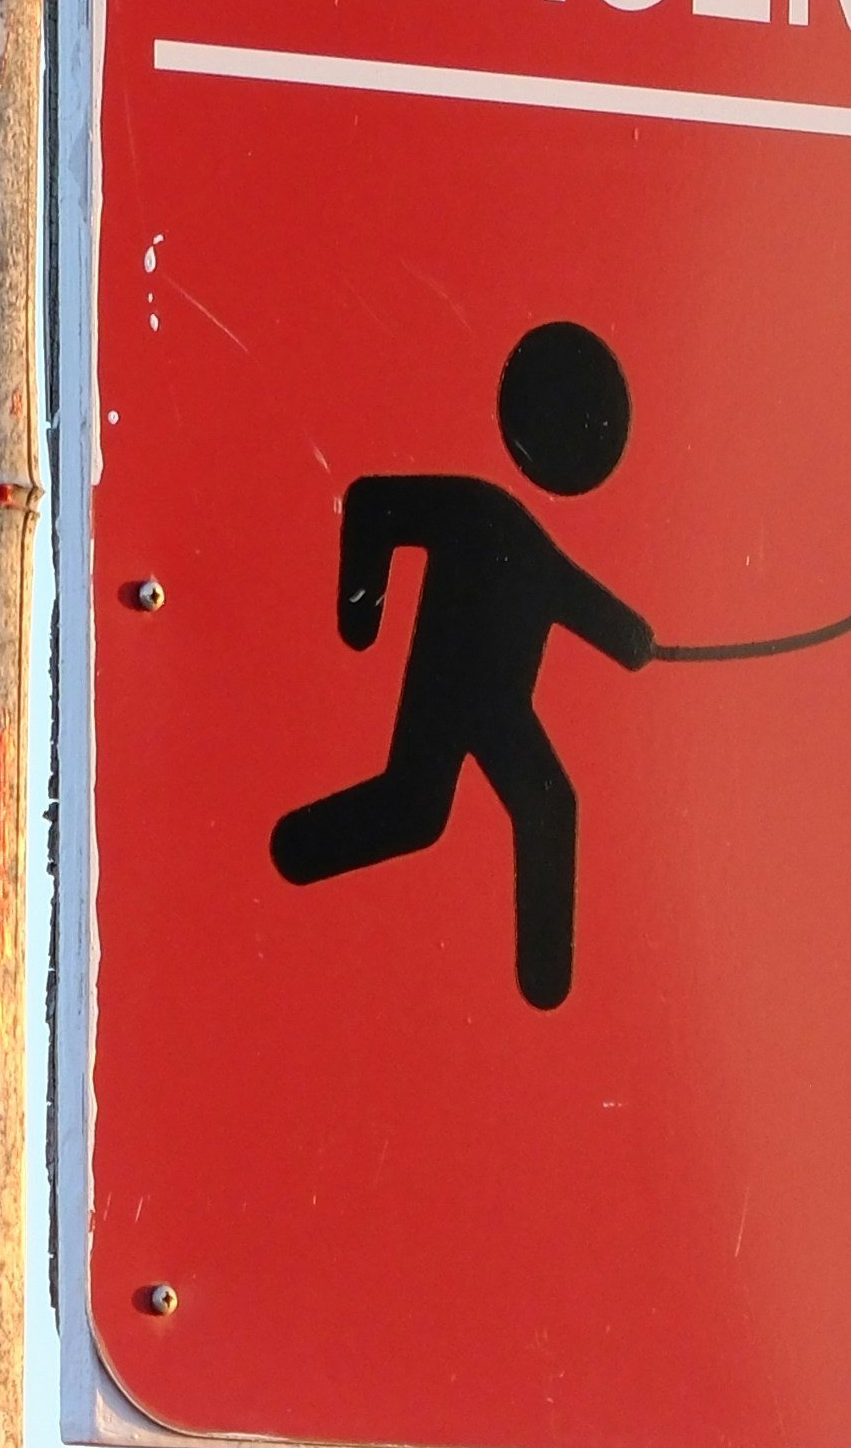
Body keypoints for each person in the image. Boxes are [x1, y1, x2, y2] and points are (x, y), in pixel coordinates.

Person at [268, 319, 653, 1012]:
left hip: (494, 698)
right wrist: (362, 610)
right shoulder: (483, 511)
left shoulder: (517, 532)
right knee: (429, 808)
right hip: (453, 690)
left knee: (512, 804)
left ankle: (544, 981)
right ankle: (292, 850)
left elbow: (574, 593)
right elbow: (371, 504)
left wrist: (631, 639)